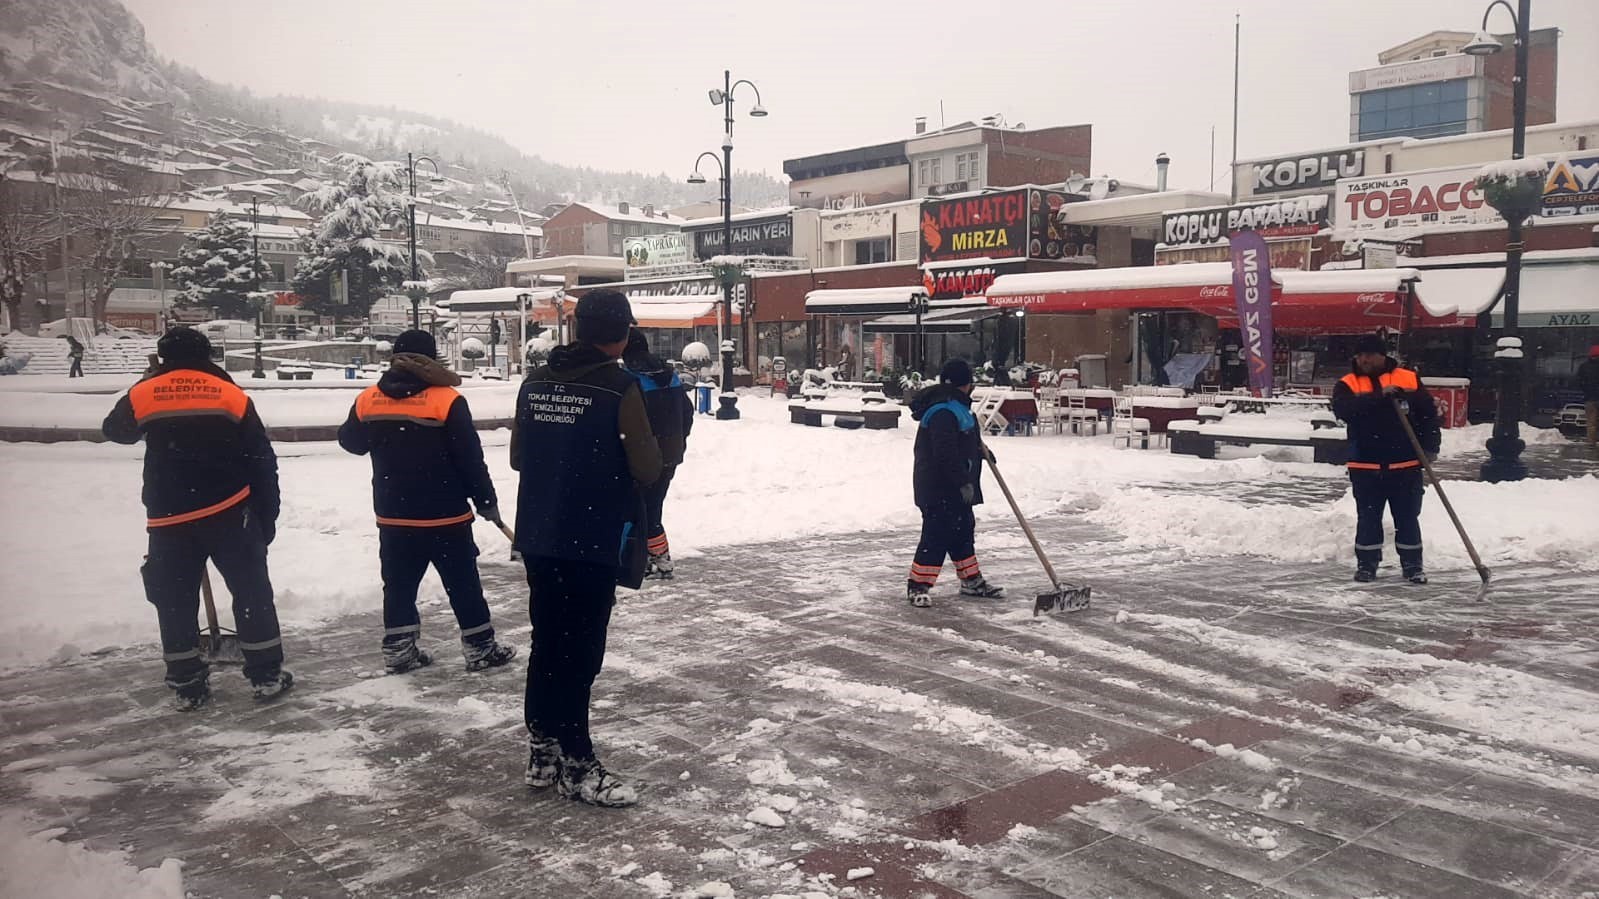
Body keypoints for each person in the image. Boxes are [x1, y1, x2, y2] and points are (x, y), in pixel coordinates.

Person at [510, 289, 662, 807]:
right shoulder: (620, 388)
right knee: (580, 650)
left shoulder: (534, 383)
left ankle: (542, 749)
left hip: (539, 534)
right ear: (620, 335)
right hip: (591, 538)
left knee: (548, 641)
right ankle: (577, 760)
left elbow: (517, 457)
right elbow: (645, 467)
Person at [101, 327, 291, 710]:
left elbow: (115, 431)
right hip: (230, 509)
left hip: (170, 515)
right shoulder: (229, 394)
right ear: (208, 356)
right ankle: (266, 675)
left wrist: (146, 383)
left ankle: (187, 681)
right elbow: (260, 458)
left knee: (174, 599)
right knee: (251, 591)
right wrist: (265, 515)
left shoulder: (145, 393)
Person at [337, 329, 517, 675]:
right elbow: (469, 458)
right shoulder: (446, 400)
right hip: (444, 513)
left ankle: (399, 649)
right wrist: (486, 501)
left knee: (399, 583)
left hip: (393, 514)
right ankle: (480, 646)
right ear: (432, 358)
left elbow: (352, 442)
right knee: (462, 581)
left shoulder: (369, 399)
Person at [1331, 334, 1441, 584]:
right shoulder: (1347, 383)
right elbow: (1346, 411)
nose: (1363, 360)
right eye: (1359, 355)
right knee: (1368, 518)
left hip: (1405, 463)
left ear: (1382, 355)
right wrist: (1380, 396)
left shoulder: (1408, 378)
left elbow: (1428, 416)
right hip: (1365, 464)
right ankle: (1367, 565)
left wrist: (1430, 447)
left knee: (1407, 517)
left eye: (1368, 354)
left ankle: (1413, 565)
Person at [905, 359, 1005, 608]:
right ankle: (918, 585)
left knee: (962, 531)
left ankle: (971, 580)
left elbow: (963, 440)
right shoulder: (943, 411)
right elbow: (944, 452)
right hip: (938, 487)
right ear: (967, 384)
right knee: (936, 534)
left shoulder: (958, 408)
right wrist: (962, 481)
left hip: (955, 487)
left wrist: (981, 451)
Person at [622, 331, 694, 579]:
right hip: (670, 454)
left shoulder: (631, 378)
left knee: (640, 508)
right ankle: (658, 557)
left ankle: (649, 559)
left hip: (643, 455)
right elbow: (688, 411)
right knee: (653, 505)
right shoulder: (669, 375)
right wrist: (679, 440)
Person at [1577, 344, 1599, 448]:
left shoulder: (1584, 366)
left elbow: (1579, 382)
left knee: (1591, 422)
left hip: (1590, 398)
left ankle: (1591, 442)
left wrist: (1586, 392)